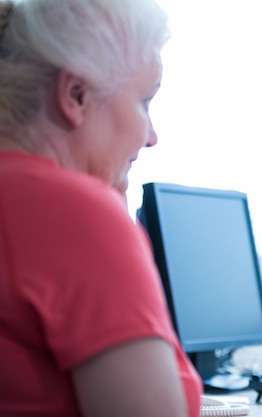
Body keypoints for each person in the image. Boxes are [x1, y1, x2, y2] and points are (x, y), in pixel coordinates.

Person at [0, 0, 203, 416]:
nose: (151, 137)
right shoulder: (70, 215)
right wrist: (103, 216)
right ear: (75, 95)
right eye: (145, 101)